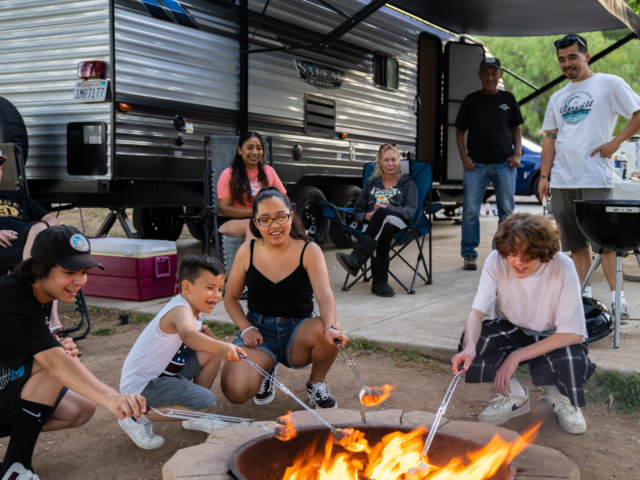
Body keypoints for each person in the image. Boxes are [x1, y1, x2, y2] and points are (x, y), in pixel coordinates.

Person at [0, 225, 146, 480]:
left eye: (84, 271)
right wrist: (112, 398)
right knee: (57, 364)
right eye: (69, 272)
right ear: (39, 267)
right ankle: (15, 467)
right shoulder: (12, 299)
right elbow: (55, 365)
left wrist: (51, 344)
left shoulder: (38, 292)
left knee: (79, 409)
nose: (79, 281)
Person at [452, 213, 596, 435]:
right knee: (477, 338)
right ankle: (515, 396)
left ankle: (561, 395)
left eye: (527, 256)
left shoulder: (563, 266)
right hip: (514, 328)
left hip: (553, 334)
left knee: (573, 358)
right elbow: (476, 313)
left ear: (543, 253)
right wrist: (469, 347)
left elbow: (574, 334)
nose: (518, 262)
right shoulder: (496, 260)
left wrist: (516, 356)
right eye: (511, 254)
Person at [538, 34, 640, 323]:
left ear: (587, 56)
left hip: (595, 177)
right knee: (574, 244)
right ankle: (584, 302)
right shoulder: (557, 97)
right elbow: (550, 139)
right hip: (561, 180)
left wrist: (617, 141)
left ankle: (618, 301)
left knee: (605, 243)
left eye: (572, 57)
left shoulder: (609, 83)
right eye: (561, 59)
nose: (566, 63)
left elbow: (637, 113)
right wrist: (544, 175)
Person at [221, 187, 349, 409]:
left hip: (298, 331)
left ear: (291, 216)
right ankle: (265, 370)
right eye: (266, 219)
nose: (275, 225)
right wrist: (246, 328)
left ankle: (316, 384)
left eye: (281, 217)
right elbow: (231, 298)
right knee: (235, 389)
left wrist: (329, 326)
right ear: (256, 222)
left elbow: (324, 293)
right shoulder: (246, 251)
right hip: (259, 333)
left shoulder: (309, 249)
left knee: (331, 328)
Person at [119, 254, 246, 450]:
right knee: (206, 399)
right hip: (142, 385)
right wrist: (220, 346)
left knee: (210, 351)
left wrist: (205, 338)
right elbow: (187, 334)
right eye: (210, 288)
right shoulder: (180, 309)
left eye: (220, 289)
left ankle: (196, 416)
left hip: (166, 375)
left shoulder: (192, 308)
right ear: (186, 287)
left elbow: (187, 339)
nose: (216, 295)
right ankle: (134, 416)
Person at [455, 57, 524, 271]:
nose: (490, 77)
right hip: (476, 165)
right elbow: (459, 131)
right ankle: (469, 254)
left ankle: (503, 251)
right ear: (479, 75)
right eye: (486, 73)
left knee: (507, 211)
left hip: (505, 163)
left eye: (494, 73)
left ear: (500, 75)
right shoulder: (470, 100)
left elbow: (516, 129)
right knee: (470, 211)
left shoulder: (509, 99)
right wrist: (464, 157)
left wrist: (517, 153)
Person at [335, 144, 418, 296]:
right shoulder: (371, 184)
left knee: (382, 214)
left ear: (399, 161)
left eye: (393, 159)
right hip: (375, 225)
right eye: (386, 160)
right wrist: (367, 216)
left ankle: (357, 259)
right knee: (382, 226)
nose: (390, 164)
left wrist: (389, 207)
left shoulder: (407, 184)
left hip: (400, 224)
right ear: (379, 162)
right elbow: (358, 211)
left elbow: (410, 212)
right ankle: (379, 282)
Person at [0, 151, 63, 333]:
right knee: (45, 259)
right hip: (4, 251)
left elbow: (52, 219)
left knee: (39, 226)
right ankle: (49, 325)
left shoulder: (17, 196)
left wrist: (44, 228)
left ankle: (52, 323)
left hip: (28, 246)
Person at [217, 132, 288, 242]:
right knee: (254, 226)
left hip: (264, 219)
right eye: (249, 148)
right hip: (230, 221)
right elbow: (225, 210)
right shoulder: (228, 174)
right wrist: (257, 212)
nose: (255, 152)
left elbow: (285, 199)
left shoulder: (269, 171)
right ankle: (249, 259)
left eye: (259, 148)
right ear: (239, 150)